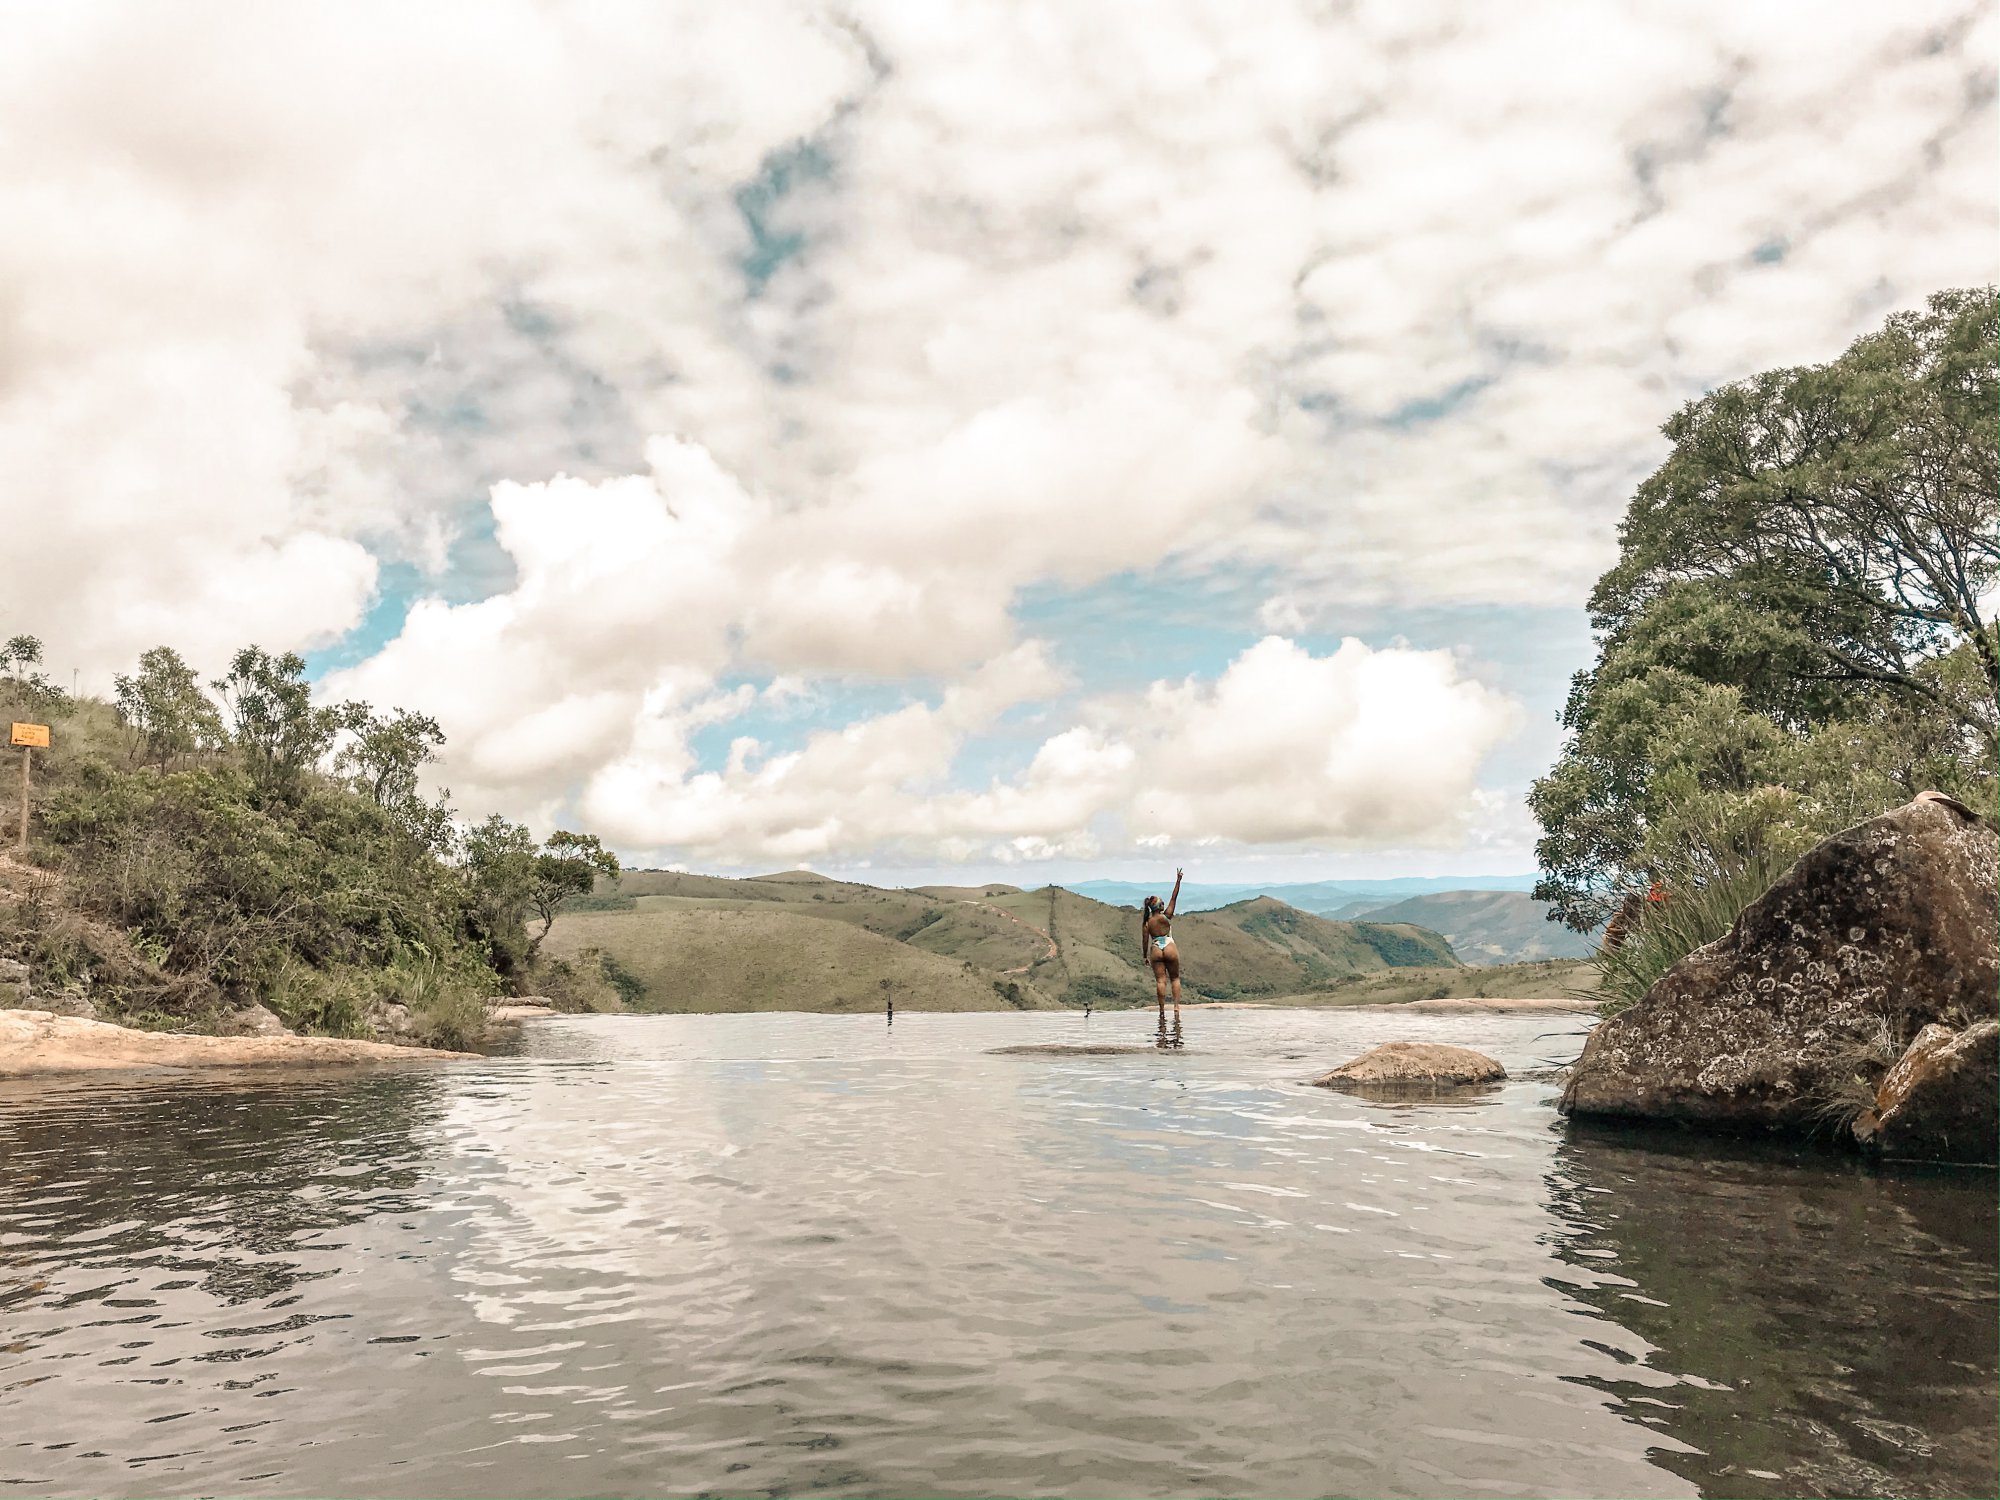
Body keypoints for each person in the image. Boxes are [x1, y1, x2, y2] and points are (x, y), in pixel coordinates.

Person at [1140, 867, 1184, 1011]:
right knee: (1175, 978)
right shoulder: (1167, 916)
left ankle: (1162, 1010)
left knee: (1160, 981)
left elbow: (1145, 941)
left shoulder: (1147, 923)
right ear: (1160, 906)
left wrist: (1145, 956)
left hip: (1156, 948)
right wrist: (1178, 880)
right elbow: (1174, 897)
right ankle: (1176, 1007)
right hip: (1169, 946)